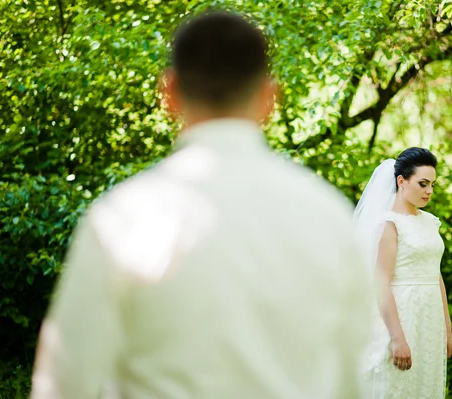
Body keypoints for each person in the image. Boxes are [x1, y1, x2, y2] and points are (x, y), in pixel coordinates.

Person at [30, 11, 373, 399]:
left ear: (169, 92)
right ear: (269, 98)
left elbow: (65, 381)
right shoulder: (327, 215)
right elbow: (348, 373)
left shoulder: (123, 216)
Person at [353, 148, 452, 398]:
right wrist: (398, 338)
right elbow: (381, 283)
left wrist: (446, 329)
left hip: (430, 317)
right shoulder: (389, 224)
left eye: (432, 184)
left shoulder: (431, 222)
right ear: (401, 181)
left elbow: (436, 276)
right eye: (422, 183)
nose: (429, 191)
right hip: (402, 315)